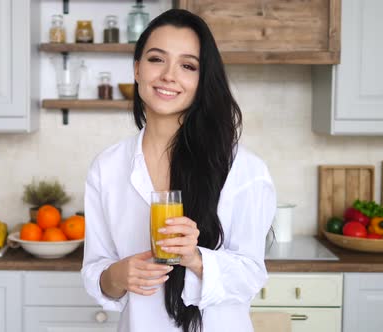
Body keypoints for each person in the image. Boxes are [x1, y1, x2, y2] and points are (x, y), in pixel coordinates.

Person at [81, 8, 276, 332]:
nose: (169, 75)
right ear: (137, 69)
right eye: (157, 59)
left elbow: (251, 276)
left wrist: (195, 258)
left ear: (202, 80)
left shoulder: (243, 169)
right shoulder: (107, 167)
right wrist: (116, 275)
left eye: (188, 65)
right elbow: (96, 272)